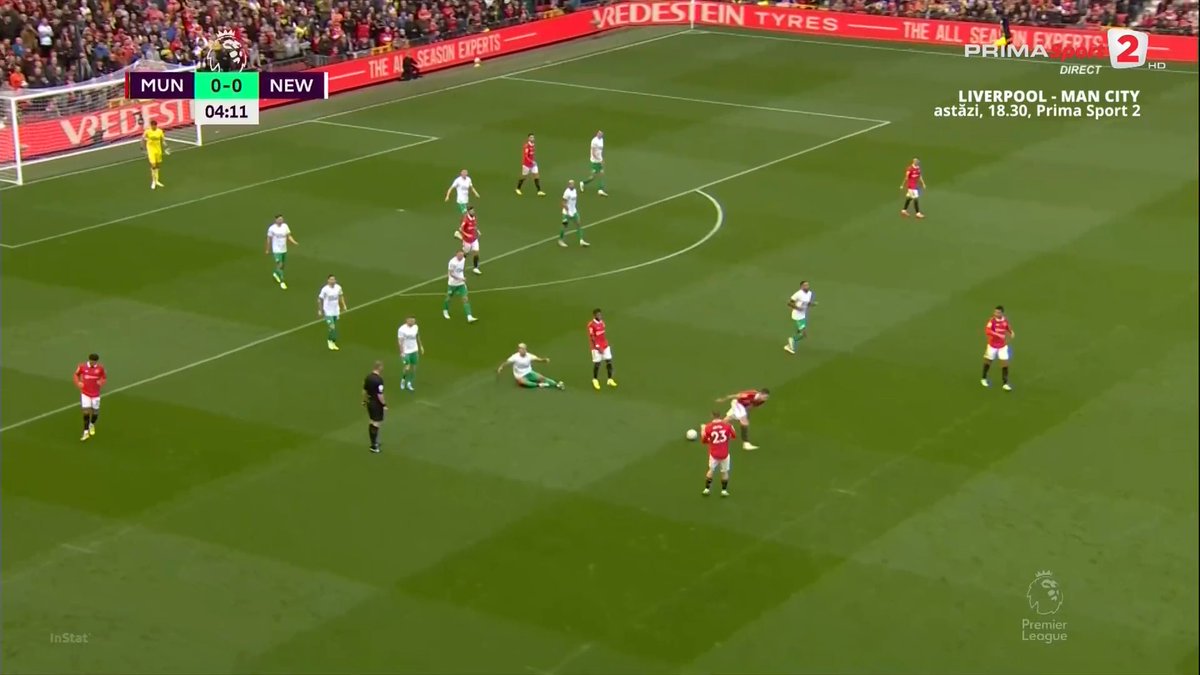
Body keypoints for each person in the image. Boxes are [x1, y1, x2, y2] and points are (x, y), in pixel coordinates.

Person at [497, 343, 564, 389]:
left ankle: (557, 384)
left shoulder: (529, 355)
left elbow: (537, 359)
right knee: (522, 382)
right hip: (519, 376)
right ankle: (538, 385)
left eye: (523, 349)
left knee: (542, 378)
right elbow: (507, 362)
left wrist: (544, 360)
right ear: (519, 350)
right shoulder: (514, 357)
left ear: (525, 350)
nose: (522, 350)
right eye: (520, 349)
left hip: (529, 372)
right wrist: (501, 367)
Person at [701, 411, 736, 497]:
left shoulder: (708, 427)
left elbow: (704, 440)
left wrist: (702, 430)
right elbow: (733, 436)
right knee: (724, 472)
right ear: (720, 416)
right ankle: (724, 491)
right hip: (724, 454)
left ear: (712, 416)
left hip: (714, 454)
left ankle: (706, 489)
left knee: (711, 470)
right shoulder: (727, 426)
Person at [74, 353, 106, 441]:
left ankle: (92, 424)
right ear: (89, 360)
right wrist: (78, 383)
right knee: (86, 412)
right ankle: (85, 432)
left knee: (95, 412)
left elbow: (104, 377)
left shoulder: (100, 368)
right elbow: (76, 375)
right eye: (92, 361)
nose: (93, 363)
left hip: (95, 394)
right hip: (85, 393)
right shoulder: (82, 366)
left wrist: (101, 382)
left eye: (94, 362)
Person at [982, 305, 1014, 391]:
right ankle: (984, 378)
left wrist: (1011, 332)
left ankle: (1005, 383)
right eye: (995, 312)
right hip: (992, 345)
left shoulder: (1004, 320)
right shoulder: (992, 321)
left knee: (1005, 363)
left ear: (1002, 313)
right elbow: (987, 331)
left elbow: (1007, 326)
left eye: (998, 312)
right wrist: (998, 334)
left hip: (1002, 346)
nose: (996, 314)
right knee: (988, 361)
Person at [443, 250, 478, 322]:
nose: (461, 257)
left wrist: (462, 277)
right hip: (452, 284)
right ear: (456, 255)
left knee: (465, 299)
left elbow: (462, 267)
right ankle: (445, 310)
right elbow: (451, 274)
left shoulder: (463, 259)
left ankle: (469, 316)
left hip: (461, 284)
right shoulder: (452, 262)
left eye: (462, 255)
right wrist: (461, 278)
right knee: (448, 298)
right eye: (459, 255)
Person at [265, 214, 298, 289]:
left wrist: (294, 242)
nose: (281, 220)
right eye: (279, 219)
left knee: (282, 266)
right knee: (280, 264)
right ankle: (282, 281)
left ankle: (275, 273)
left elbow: (288, 236)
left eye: (282, 219)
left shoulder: (285, 226)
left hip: (284, 249)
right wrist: (267, 249)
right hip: (276, 250)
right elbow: (269, 239)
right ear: (276, 220)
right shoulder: (272, 228)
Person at [588, 308, 616, 390]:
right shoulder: (591, 325)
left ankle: (610, 379)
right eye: (598, 315)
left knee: (609, 362)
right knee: (597, 364)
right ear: (594, 315)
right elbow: (592, 337)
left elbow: (602, 335)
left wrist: (605, 344)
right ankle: (595, 380)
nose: (600, 316)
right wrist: (598, 347)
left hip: (605, 345)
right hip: (596, 348)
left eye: (600, 314)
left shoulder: (602, 323)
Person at [317, 275, 348, 351]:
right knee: (332, 327)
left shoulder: (338, 287)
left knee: (333, 327)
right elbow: (320, 299)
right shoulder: (325, 289)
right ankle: (329, 341)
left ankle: (333, 342)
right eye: (331, 279)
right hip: (328, 311)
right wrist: (320, 310)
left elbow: (341, 296)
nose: (332, 281)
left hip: (336, 311)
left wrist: (344, 305)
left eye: (334, 279)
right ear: (328, 280)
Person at [784, 281, 815, 354]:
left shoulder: (809, 293)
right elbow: (789, 303)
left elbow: (807, 303)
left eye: (807, 285)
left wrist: (811, 304)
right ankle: (791, 341)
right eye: (805, 285)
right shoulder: (798, 294)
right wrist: (798, 308)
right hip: (797, 316)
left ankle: (789, 344)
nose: (807, 286)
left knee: (798, 332)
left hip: (803, 315)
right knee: (803, 334)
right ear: (801, 287)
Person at [363, 361, 386, 453]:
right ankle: (373, 446)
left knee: (372, 421)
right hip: (376, 404)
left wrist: (364, 401)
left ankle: (374, 442)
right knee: (376, 422)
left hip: (370, 402)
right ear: (379, 368)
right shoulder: (379, 380)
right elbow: (380, 394)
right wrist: (384, 404)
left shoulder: (368, 377)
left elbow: (364, 391)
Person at [396, 316, 424, 391]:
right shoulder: (402, 329)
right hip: (406, 351)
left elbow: (417, 336)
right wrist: (401, 352)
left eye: (414, 321)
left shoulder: (416, 327)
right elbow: (400, 341)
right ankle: (403, 380)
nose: (412, 322)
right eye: (411, 320)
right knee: (407, 367)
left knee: (414, 368)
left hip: (414, 350)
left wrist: (421, 346)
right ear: (407, 320)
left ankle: (409, 383)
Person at [558, 179, 588, 248]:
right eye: (571, 184)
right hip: (566, 212)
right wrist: (567, 211)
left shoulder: (574, 190)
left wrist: (573, 210)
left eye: (573, 184)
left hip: (574, 211)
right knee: (564, 226)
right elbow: (563, 203)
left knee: (578, 224)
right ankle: (560, 240)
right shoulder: (566, 192)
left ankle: (581, 240)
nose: (572, 185)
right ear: (568, 185)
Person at [579, 130, 608, 196]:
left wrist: (602, 158)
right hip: (595, 161)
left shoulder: (601, 140)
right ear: (597, 134)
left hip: (599, 160)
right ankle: (584, 183)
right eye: (599, 133)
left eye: (601, 134)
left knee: (599, 174)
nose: (600, 135)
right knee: (595, 176)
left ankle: (599, 189)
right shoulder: (594, 141)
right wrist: (600, 160)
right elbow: (593, 153)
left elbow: (600, 150)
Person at [142, 119, 166, 190]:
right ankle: (153, 181)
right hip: (151, 150)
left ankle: (157, 180)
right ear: (151, 126)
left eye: (155, 126)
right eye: (152, 126)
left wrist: (164, 143)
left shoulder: (160, 131)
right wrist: (144, 145)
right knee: (153, 165)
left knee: (158, 165)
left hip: (158, 149)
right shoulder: (147, 131)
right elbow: (143, 138)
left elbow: (162, 139)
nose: (154, 127)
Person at [457, 206, 482, 275]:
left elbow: (474, 225)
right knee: (465, 253)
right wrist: (467, 234)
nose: (473, 212)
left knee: (476, 252)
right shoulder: (465, 220)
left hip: (474, 239)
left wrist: (478, 231)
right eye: (471, 211)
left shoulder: (474, 217)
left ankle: (475, 268)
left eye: (473, 210)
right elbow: (461, 229)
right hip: (467, 240)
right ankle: (459, 266)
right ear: (468, 212)